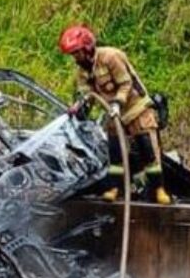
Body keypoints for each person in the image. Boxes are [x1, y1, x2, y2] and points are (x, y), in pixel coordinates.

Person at [59, 24, 172, 205]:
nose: (75, 58)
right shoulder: (82, 72)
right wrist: (78, 107)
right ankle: (114, 188)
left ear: (87, 48)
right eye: (72, 54)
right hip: (114, 115)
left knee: (148, 151)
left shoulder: (111, 57)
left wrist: (117, 103)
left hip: (136, 110)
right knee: (115, 153)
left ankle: (159, 190)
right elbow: (87, 95)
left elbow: (126, 84)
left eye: (77, 53)